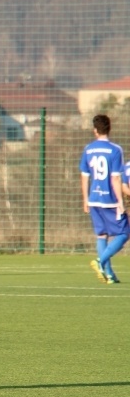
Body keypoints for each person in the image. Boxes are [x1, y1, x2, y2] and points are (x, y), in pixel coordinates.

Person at [80, 114, 128, 284]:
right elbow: (116, 178)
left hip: (94, 199)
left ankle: (109, 275)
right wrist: (120, 202)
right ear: (110, 128)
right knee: (124, 233)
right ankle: (101, 262)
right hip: (110, 200)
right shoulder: (115, 150)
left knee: (102, 235)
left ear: (95, 131)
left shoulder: (88, 149)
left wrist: (85, 199)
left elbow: (84, 176)